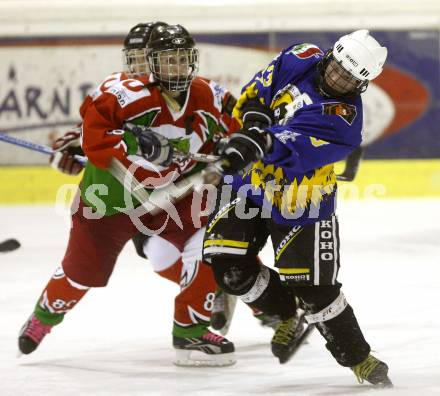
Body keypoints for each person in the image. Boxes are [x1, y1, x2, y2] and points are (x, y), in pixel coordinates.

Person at [18, 22, 236, 367]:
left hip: (171, 199)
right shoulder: (122, 92)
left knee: (214, 243)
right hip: (109, 202)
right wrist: (95, 145)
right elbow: (91, 131)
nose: (176, 68)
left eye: (182, 59)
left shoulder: (206, 93)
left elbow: (238, 126)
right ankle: (43, 318)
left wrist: (238, 147)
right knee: (79, 274)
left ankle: (194, 331)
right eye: (167, 60)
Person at [203, 30, 392, 385]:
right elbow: (258, 93)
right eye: (337, 68)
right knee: (228, 266)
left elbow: (289, 152)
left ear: (362, 83)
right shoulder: (301, 56)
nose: (339, 79)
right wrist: (253, 127)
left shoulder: (345, 124)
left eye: (351, 79)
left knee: (316, 291)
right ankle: (286, 313)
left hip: (303, 200)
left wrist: (259, 142)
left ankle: (359, 358)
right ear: (329, 56)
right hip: (252, 185)